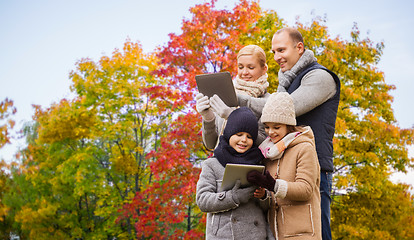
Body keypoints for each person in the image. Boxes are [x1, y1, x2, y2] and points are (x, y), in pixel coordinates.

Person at [238, 27, 340, 240]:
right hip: (282, 173)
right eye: (273, 51)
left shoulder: (320, 77)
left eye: (281, 50)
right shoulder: (288, 83)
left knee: (315, 232)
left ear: (299, 47)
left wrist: (237, 98)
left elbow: (283, 110)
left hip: (313, 170)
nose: (276, 57)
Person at [247, 92, 321, 239]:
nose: (270, 132)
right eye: (267, 127)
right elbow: (273, 195)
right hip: (277, 232)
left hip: (303, 233)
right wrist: (263, 195)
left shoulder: (304, 148)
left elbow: (306, 189)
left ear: (288, 125)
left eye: (276, 127)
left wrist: (273, 185)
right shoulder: (269, 152)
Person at [196, 107, 275, 240]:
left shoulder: (259, 163)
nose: (244, 140)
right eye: (239, 134)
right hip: (224, 235)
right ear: (229, 134)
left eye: (249, 137)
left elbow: (267, 207)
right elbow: (202, 200)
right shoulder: (212, 164)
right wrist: (234, 197)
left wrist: (263, 196)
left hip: (256, 235)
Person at [195, 45, 270, 150]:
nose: (244, 72)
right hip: (219, 163)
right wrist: (208, 118)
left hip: (249, 164)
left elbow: (264, 142)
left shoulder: (268, 101)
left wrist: (233, 118)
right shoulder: (225, 96)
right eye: (240, 67)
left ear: (264, 69)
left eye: (251, 67)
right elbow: (211, 144)